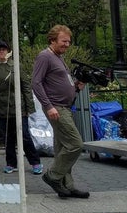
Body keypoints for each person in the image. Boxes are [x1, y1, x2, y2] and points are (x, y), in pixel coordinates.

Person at [31, 25, 89, 199]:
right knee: (75, 144)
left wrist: (76, 88)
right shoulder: (45, 56)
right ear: (52, 40)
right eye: (64, 41)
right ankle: (53, 176)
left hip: (64, 106)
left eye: (69, 42)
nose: (67, 44)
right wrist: (48, 106)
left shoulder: (59, 57)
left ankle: (67, 185)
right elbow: (36, 83)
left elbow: (62, 82)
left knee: (63, 147)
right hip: (56, 108)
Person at [0, 41, 42, 175]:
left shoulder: (16, 66)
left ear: (8, 51)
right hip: (1, 108)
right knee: (7, 138)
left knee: (25, 137)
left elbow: (26, 87)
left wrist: (29, 107)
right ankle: (11, 163)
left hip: (18, 108)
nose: (1, 52)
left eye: (3, 50)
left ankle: (35, 162)